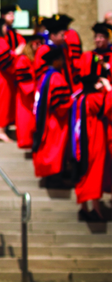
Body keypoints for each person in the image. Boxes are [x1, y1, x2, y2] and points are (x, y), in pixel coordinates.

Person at [70, 74, 111, 222]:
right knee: (93, 174)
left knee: (84, 173)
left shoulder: (80, 98)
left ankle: (85, 208)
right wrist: (109, 89)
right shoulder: (94, 98)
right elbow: (108, 108)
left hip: (81, 141)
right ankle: (95, 211)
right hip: (93, 141)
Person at [32, 46, 74, 188]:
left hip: (45, 119)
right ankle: (55, 180)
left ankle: (51, 177)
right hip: (55, 122)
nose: (63, 62)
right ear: (55, 61)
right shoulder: (56, 77)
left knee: (49, 149)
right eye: (61, 59)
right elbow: (60, 105)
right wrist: (72, 101)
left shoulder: (44, 76)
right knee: (55, 150)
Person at [11, 33, 45, 151]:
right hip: (25, 97)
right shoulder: (23, 59)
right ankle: (26, 142)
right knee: (26, 120)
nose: (39, 46)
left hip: (34, 96)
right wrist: (34, 89)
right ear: (30, 44)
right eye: (36, 43)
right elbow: (23, 80)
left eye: (41, 43)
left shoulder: (36, 58)